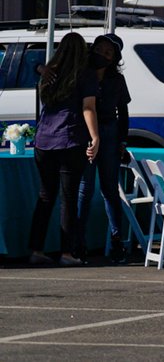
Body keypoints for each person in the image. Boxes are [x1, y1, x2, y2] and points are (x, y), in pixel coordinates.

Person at [28, 32, 99, 266]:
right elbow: (88, 108)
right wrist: (95, 137)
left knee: (46, 195)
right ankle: (67, 253)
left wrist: (40, 68)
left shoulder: (49, 74)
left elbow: (32, 64)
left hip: (44, 140)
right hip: (70, 138)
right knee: (68, 198)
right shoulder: (85, 74)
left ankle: (35, 249)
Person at [76, 33, 132, 263]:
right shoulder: (81, 74)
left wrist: (122, 141)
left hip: (109, 134)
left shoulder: (117, 81)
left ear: (114, 59)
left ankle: (117, 241)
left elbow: (124, 113)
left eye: (108, 53)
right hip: (84, 134)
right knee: (84, 190)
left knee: (110, 189)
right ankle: (78, 243)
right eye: (100, 49)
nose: (102, 54)